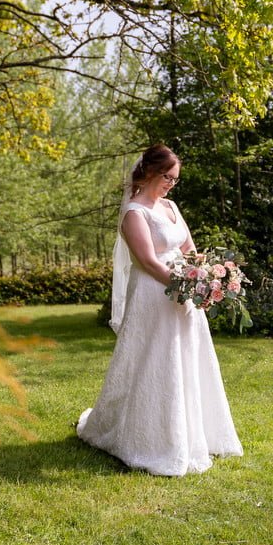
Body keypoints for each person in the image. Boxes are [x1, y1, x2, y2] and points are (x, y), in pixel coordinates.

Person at [76, 143, 243, 476]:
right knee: (156, 361)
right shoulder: (134, 213)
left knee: (189, 359)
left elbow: (189, 248)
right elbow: (149, 261)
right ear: (149, 172)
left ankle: (196, 433)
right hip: (154, 295)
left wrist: (207, 277)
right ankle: (148, 439)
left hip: (183, 295)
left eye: (175, 179)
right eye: (167, 177)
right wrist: (187, 287)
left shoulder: (171, 207)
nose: (171, 184)